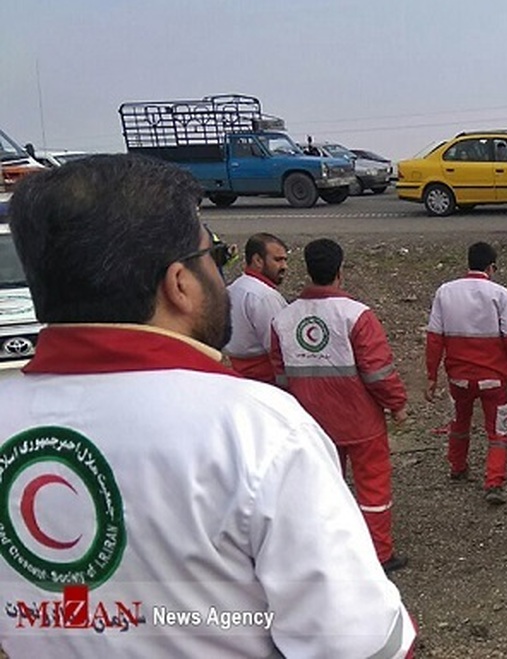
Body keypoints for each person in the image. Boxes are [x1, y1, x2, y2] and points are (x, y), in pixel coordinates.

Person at [0, 155, 414, 657]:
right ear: (179, 283)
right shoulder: (256, 430)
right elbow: (361, 645)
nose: (225, 276)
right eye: (215, 257)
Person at [270, 238, 409, 572]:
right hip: (360, 422)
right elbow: (378, 372)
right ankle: (379, 555)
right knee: (373, 489)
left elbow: (281, 376)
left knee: (320, 487)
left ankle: (324, 552)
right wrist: (397, 404)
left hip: (312, 422)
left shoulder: (283, 320)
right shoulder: (356, 316)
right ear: (340, 271)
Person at [425, 242, 507, 505]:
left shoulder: (445, 292)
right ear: (491, 267)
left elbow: (434, 338)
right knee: (497, 431)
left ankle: (457, 466)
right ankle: (494, 481)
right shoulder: (500, 294)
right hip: (493, 378)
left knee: (459, 423)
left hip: (458, 378)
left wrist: (431, 376)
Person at [224, 232, 289, 382]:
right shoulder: (263, 296)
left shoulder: (233, 288)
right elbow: (277, 346)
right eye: (278, 260)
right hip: (267, 378)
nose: (284, 266)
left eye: (285, 260)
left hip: (240, 375)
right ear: (258, 260)